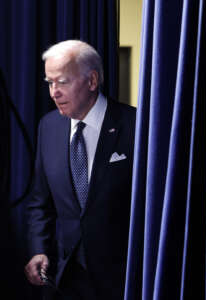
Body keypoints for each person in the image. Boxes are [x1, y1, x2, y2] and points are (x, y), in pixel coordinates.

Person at [24, 40, 136, 300]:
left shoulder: (136, 126)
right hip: (64, 281)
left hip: (121, 280)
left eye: (62, 82)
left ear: (92, 81)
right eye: (50, 83)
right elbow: (40, 203)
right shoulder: (48, 127)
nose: (54, 92)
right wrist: (38, 249)